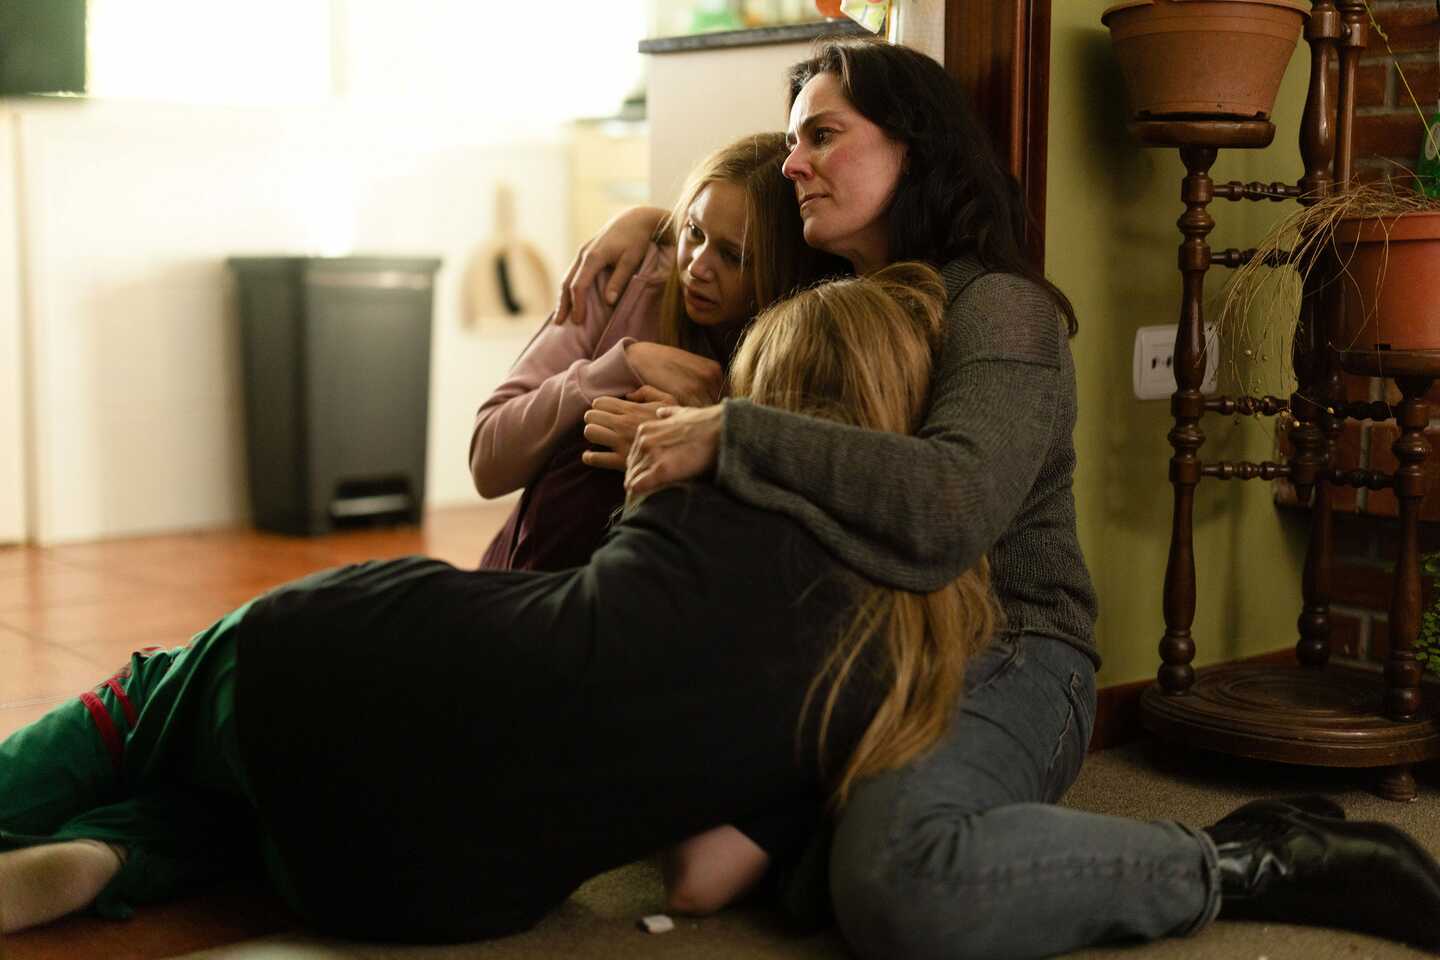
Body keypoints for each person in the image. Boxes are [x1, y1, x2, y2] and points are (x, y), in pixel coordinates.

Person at [552, 35, 1440, 957]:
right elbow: (728, 206)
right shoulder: (824, 297)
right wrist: (644, 227)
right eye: (790, 142)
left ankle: (1248, 859)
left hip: (1011, 647)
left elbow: (953, 505)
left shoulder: (1001, 309)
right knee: (687, 844)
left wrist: (733, 434)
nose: (792, 164)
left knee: (901, 881)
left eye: (822, 136)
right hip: (859, 640)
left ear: (913, 147)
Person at [0, 265, 1002, 945]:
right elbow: (700, 880)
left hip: (326, 669)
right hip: (421, 897)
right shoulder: (889, 676)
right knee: (273, 812)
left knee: (157, 701)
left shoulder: (702, 490)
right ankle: (119, 855)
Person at [470, 131, 842, 572]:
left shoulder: (800, 349)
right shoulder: (620, 281)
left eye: (733, 256)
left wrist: (695, 442)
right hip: (527, 573)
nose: (697, 267)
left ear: (781, 271)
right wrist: (620, 366)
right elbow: (486, 461)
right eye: (694, 232)